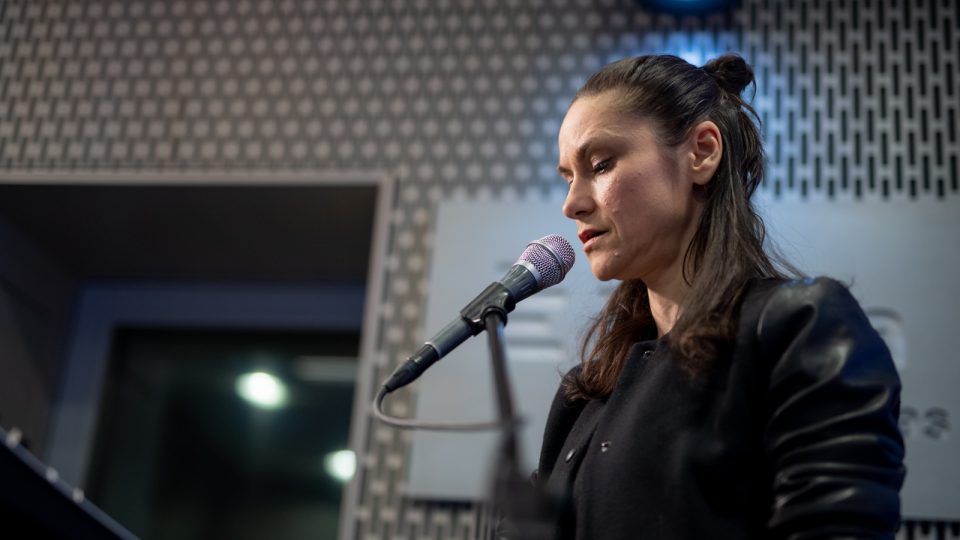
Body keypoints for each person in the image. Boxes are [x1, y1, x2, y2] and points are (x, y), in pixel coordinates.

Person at [529, 54, 905, 539]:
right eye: (568, 177)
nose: (572, 204)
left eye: (600, 165)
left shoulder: (800, 329)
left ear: (702, 152)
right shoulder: (585, 393)